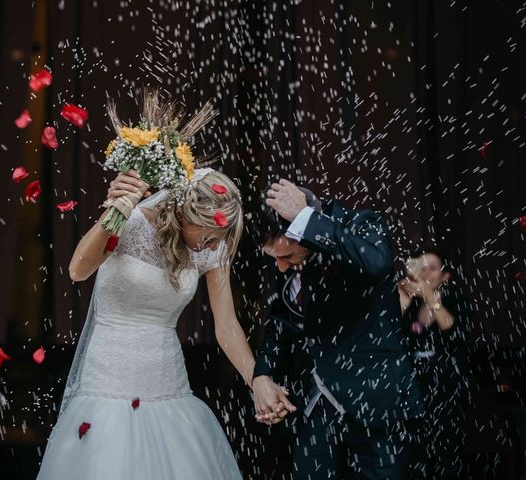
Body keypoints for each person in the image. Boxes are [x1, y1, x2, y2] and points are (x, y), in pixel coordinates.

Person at [37, 96, 283, 479]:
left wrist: (258, 380)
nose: (215, 247)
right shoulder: (132, 221)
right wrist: (116, 210)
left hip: (166, 382)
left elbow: (227, 325)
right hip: (109, 378)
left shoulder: (208, 251)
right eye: (211, 235)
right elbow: (77, 270)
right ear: (185, 213)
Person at [251, 179, 424, 479]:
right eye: (274, 258)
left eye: (286, 257)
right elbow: (280, 323)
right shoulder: (286, 263)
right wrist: (262, 374)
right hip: (313, 413)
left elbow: (375, 264)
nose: (279, 267)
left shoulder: (362, 223)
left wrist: (305, 218)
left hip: (375, 408)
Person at [399, 247, 471, 479]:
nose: (425, 273)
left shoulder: (456, 300)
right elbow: (391, 335)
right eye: (421, 267)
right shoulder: (410, 301)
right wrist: (404, 296)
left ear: (445, 276)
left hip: (448, 392)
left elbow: (453, 332)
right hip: (413, 390)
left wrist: (429, 293)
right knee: (413, 459)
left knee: (447, 459)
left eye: (432, 268)